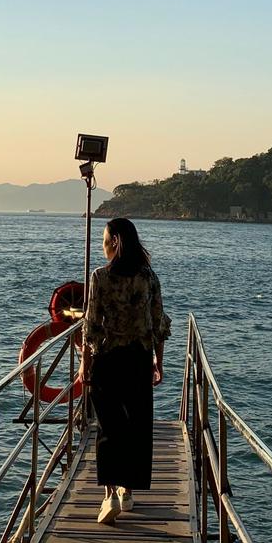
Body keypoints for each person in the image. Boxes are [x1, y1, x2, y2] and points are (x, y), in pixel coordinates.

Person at [79, 217, 169, 525]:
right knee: (135, 427)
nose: (103, 245)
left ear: (116, 240)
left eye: (105, 239)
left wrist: (85, 364)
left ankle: (109, 496)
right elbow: (159, 323)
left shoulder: (100, 277)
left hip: (108, 358)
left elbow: (90, 324)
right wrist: (159, 361)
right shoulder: (148, 277)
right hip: (139, 358)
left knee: (109, 427)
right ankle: (127, 492)